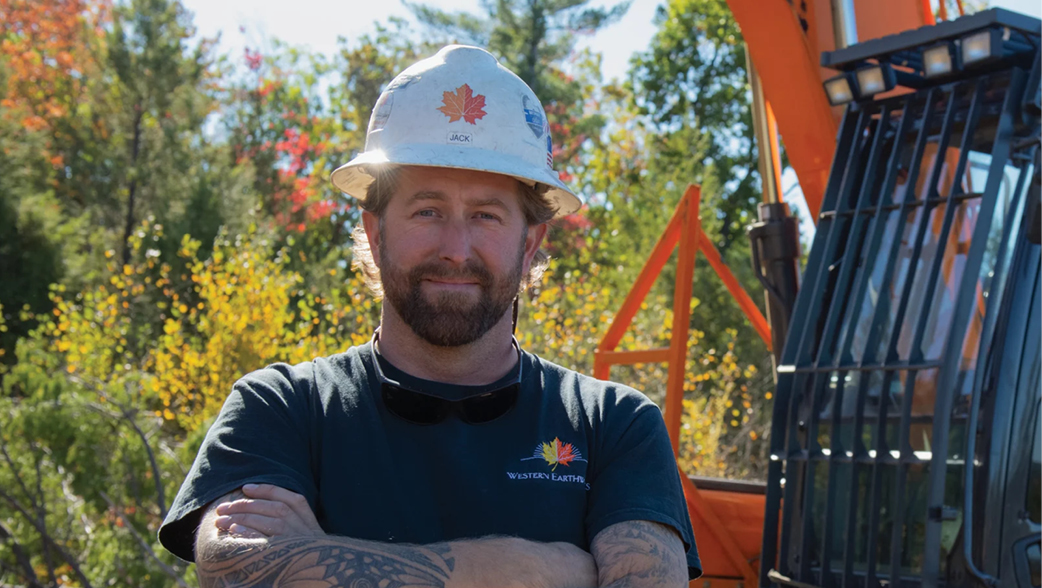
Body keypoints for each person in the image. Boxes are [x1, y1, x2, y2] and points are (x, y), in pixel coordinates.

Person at [158, 44, 702, 587]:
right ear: (376, 231)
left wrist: (321, 555)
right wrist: (536, 569)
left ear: (530, 242)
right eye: (427, 210)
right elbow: (237, 570)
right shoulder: (282, 408)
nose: (456, 248)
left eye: (486, 215)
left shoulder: (614, 425)